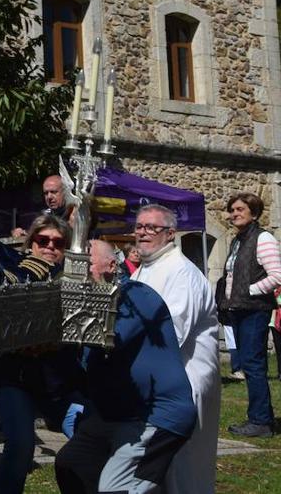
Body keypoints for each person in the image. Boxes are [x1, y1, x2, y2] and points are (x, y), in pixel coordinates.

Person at [55, 240, 197, 494]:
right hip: (117, 415)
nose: (75, 270)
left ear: (111, 265)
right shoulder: (85, 307)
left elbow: (109, 339)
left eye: (86, 262)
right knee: (72, 464)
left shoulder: (135, 295)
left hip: (156, 415)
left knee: (116, 489)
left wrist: (61, 323)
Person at [0, 214, 70, 494]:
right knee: (21, 445)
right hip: (11, 373)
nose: (50, 246)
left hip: (54, 375)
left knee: (89, 435)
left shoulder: (72, 278)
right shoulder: (12, 270)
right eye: (43, 240)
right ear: (31, 242)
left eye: (58, 242)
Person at [129, 203, 220, 494]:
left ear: (170, 234)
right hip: (155, 381)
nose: (143, 233)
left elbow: (171, 333)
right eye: (139, 227)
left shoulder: (182, 273)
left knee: (184, 468)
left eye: (151, 228)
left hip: (186, 381)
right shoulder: (145, 269)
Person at [218, 192, 281, 437]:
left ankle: (261, 421)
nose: (234, 214)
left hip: (254, 309)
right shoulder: (238, 240)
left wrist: (250, 290)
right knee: (248, 364)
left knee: (254, 366)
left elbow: (277, 275)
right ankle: (259, 417)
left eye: (240, 209)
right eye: (232, 210)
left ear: (253, 213)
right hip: (238, 308)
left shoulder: (262, 238)